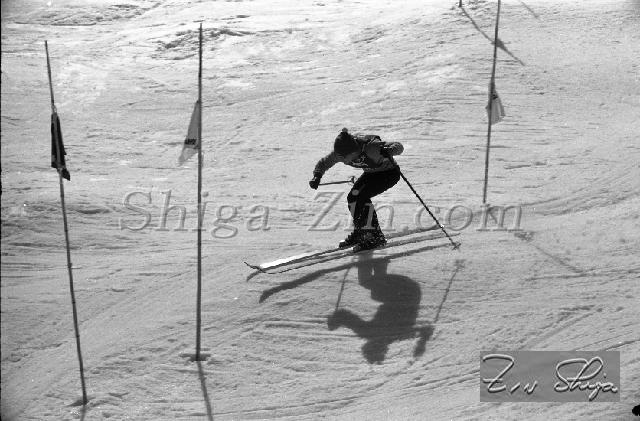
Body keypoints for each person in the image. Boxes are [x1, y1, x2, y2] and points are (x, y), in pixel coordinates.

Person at [309, 128, 404, 250]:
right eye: (341, 156)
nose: (343, 160)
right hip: (371, 174)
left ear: (354, 151)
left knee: (361, 196)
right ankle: (361, 232)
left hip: (389, 173)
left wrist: (390, 150)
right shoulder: (340, 153)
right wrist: (317, 176)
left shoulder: (372, 147)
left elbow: (399, 146)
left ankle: (375, 237)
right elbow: (324, 162)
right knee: (353, 197)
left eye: (345, 157)